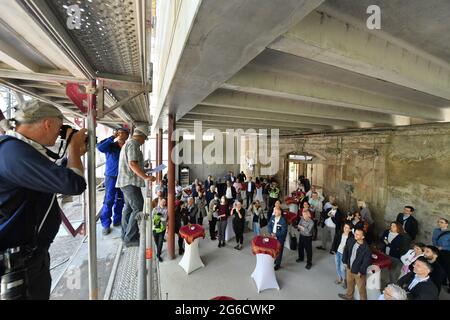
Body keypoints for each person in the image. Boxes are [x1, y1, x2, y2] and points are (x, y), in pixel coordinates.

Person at [0, 100, 87, 299]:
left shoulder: (19, 150)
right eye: (59, 127)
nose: (60, 133)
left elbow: (50, 178)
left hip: (29, 257)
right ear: (48, 124)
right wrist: (73, 148)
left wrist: (73, 155)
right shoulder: (13, 152)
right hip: (19, 264)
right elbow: (74, 185)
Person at [116, 125, 156, 247]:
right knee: (138, 208)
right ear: (141, 136)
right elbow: (132, 164)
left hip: (125, 182)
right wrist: (146, 177)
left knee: (128, 209)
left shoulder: (128, 144)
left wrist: (145, 170)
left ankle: (125, 234)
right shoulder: (133, 144)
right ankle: (130, 238)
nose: (144, 141)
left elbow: (133, 164)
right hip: (130, 183)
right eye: (144, 139)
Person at [97, 127, 129, 235]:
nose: (120, 135)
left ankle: (117, 220)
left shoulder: (127, 147)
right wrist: (112, 137)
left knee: (120, 199)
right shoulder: (110, 145)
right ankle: (106, 224)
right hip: (111, 176)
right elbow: (100, 148)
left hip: (123, 176)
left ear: (127, 136)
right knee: (109, 200)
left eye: (123, 133)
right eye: (118, 133)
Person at [338, 229, 372, 300]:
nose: (355, 235)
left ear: (363, 237)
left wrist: (361, 272)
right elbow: (346, 250)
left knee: (361, 289)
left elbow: (366, 262)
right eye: (355, 233)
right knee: (350, 284)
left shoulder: (366, 249)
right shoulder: (351, 241)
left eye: (358, 234)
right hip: (349, 268)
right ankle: (349, 296)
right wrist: (344, 261)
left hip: (358, 272)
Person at [331, 222, 354, 288]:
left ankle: (344, 280)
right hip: (337, 252)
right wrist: (333, 250)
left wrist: (346, 248)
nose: (345, 228)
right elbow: (334, 242)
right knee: (337, 266)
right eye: (344, 227)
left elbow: (351, 248)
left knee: (342, 268)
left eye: (347, 228)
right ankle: (339, 278)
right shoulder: (339, 233)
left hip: (344, 255)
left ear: (350, 229)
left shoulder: (351, 237)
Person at [267, 202, 288, 270]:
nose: (274, 213)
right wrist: (271, 232)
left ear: (279, 213)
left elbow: (283, 231)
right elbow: (269, 225)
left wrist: (275, 234)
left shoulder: (283, 221)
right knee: (273, 249)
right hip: (272, 237)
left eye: (275, 212)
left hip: (279, 238)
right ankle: (275, 259)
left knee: (279, 251)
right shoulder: (273, 217)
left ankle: (278, 264)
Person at [432, 217, 450, 293]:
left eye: (442, 222)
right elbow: (433, 239)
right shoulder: (436, 230)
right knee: (439, 266)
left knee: (448, 268)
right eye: (439, 222)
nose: (439, 223)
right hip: (437, 251)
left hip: (446, 252)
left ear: (447, 224)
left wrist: (443, 247)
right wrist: (435, 246)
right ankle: (443, 281)